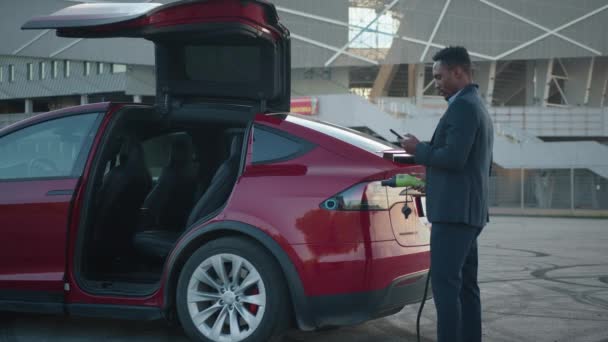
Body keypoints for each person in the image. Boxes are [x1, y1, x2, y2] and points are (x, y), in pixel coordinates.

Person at [400, 46, 494, 342]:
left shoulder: (463, 106)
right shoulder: (474, 103)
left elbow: (454, 159)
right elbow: (461, 159)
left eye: (439, 77)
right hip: (468, 212)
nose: (436, 83)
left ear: (458, 72)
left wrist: (418, 150)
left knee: (445, 287)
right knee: (466, 287)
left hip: (454, 214)